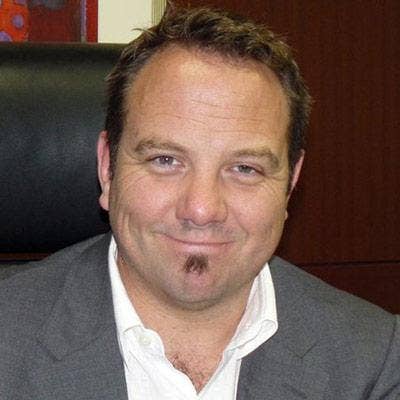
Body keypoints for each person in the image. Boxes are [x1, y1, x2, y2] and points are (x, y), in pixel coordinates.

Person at [1, 5, 399, 400]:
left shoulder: (374, 364)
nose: (202, 209)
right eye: (165, 160)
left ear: (290, 184)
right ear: (108, 168)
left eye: (244, 168)